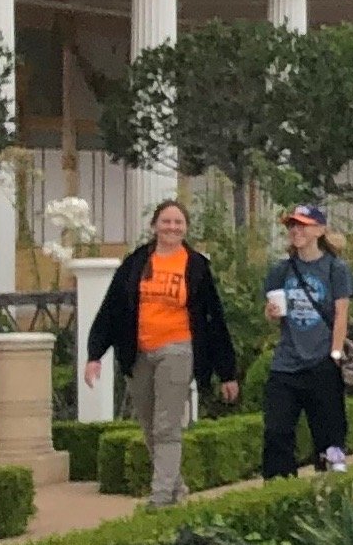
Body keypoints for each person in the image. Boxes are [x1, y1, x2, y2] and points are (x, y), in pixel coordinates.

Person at [83, 198, 238, 508]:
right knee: (149, 425)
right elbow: (112, 309)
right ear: (154, 226)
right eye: (166, 221)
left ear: (186, 228)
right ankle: (176, 487)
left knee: (167, 425)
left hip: (177, 349)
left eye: (178, 222)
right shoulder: (135, 263)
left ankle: (160, 497)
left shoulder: (195, 266)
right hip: (138, 351)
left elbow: (214, 319)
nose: (172, 227)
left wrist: (227, 372)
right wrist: (95, 355)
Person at [260, 204, 353, 478]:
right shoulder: (281, 269)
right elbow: (272, 312)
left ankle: (332, 481)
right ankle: (279, 489)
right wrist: (270, 313)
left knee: (329, 434)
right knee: (277, 431)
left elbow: (341, 314)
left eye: (302, 225)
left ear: (319, 230)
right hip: (286, 363)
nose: (296, 231)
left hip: (322, 362)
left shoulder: (335, 268)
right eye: (292, 225)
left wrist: (335, 354)